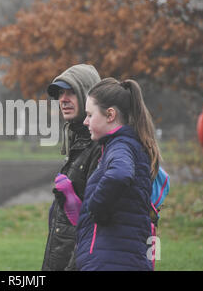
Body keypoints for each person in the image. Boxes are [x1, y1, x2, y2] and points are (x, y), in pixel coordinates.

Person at [75, 77, 161, 271]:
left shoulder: (120, 146)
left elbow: (120, 174)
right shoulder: (125, 146)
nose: (85, 121)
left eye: (90, 114)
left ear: (110, 115)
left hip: (110, 263)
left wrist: (95, 208)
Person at [41, 64, 102, 271]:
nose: (63, 99)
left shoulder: (99, 147)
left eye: (71, 92)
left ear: (88, 95)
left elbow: (96, 227)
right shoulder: (78, 142)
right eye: (60, 93)